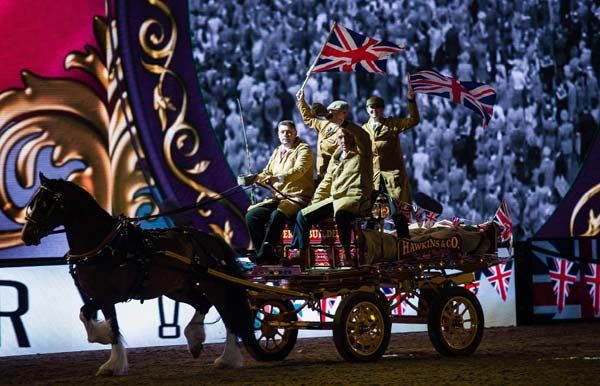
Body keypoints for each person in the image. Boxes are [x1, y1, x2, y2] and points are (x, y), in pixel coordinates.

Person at [285, 125, 373, 268]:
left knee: (341, 214)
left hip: (354, 197)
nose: (343, 140)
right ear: (336, 140)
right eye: (340, 137)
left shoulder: (362, 153)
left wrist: (344, 123)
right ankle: (300, 253)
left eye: (347, 136)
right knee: (303, 215)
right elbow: (326, 183)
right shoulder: (336, 156)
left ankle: (346, 254)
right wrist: (314, 203)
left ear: (353, 137)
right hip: (335, 198)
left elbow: (364, 136)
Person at [244, 120, 314, 264]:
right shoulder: (277, 151)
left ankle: (266, 253)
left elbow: (299, 171)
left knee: (277, 215)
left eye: (289, 132)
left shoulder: (303, 149)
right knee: (252, 216)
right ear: (278, 134)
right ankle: (263, 254)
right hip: (278, 198)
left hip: (297, 197)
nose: (286, 135)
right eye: (282, 132)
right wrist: (254, 179)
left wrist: (277, 178)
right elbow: (267, 172)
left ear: (295, 133)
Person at [362, 77, 420, 237]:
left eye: (378, 109)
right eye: (372, 109)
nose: (375, 112)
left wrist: (411, 100)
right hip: (374, 177)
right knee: (369, 213)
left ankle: (404, 244)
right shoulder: (364, 130)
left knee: (398, 212)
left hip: (392, 176)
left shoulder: (392, 124)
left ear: (383, 110)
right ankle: (368, 245)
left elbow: (414, 120)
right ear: (367, 110)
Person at [296, 89, 357, 181]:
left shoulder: (347, 133)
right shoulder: (325, 124)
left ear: (343, 114)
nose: (330, 114)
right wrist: (301, 101)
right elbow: (309, 119)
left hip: (337, 174)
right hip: (321, 173)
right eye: (330, 112)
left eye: (334, 112)